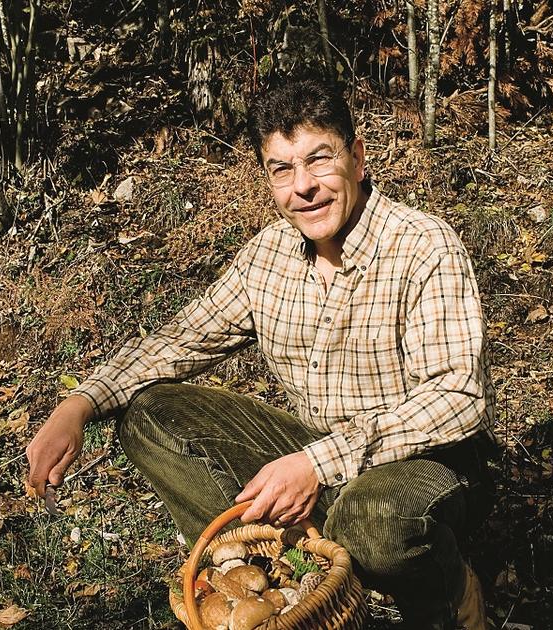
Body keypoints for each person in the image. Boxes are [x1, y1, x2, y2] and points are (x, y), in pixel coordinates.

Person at [26, 78, 495, 629]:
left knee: (372, 517)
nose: (304, 187)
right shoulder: (267, 257)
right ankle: (279, 581)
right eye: (282, 169)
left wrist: (316, 464)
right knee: (149, 414)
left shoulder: (422, 247)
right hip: (319, 457)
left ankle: (449, 594)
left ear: (358, 157)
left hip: (424, 467)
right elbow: (181, 341)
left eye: (319, 160)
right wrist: (77, 405)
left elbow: (458, 397)